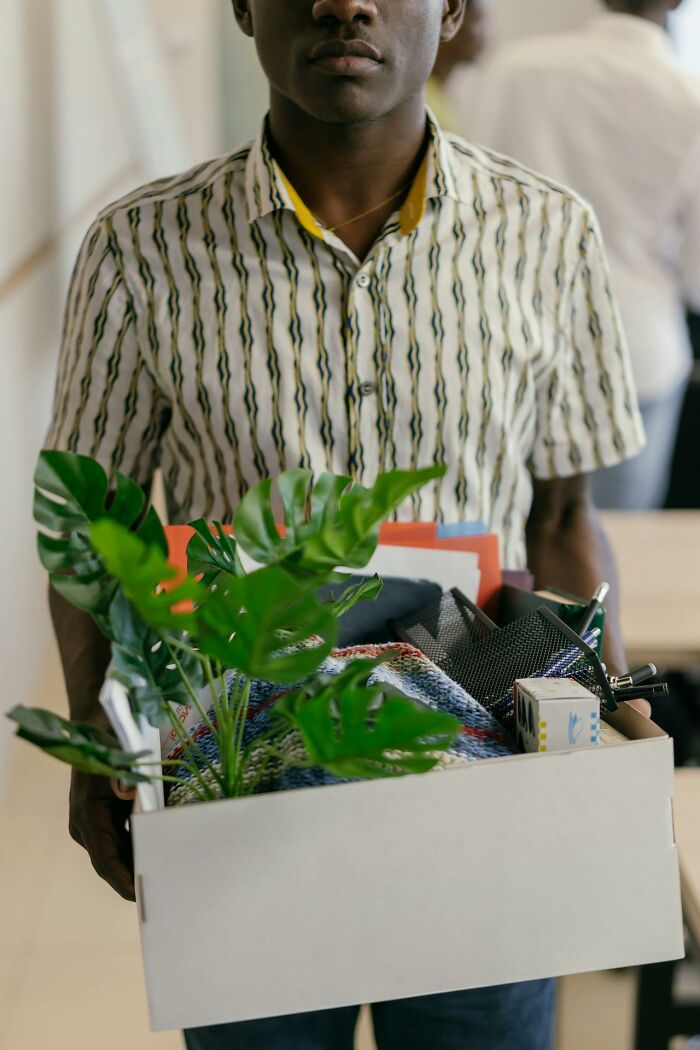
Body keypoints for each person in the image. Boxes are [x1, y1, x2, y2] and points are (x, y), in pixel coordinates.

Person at [47, 0, 648, 1046]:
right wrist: (98, 731)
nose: (343, 3)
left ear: (452, 7)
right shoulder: (142, 247)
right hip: (243, 790)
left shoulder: (548, 231)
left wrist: (604, 712)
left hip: (483, 781)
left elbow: (561, 515)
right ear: (243, 6)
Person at [460, 0, 700, 510]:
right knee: (617, 549)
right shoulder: (689, 97)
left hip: (510, 343)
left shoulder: (515, 70)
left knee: (506, 540)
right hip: (638, 353)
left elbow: (466, 208)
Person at [426, 0, 490, 130]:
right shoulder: (420, 104)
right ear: (450, 19)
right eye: (478, 20)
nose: (487, 35)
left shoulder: (443, 100)